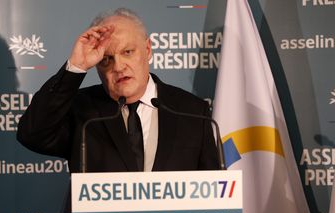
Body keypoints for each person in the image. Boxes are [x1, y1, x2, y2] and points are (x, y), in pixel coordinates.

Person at [17, 8, 220, 173]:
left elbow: (213, 192)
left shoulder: (192, 112)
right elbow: (32, 134)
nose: (118, 66)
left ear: (147, 50)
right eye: (106, 59)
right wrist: (76, 66)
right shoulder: (82, 111)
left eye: (128, 52)